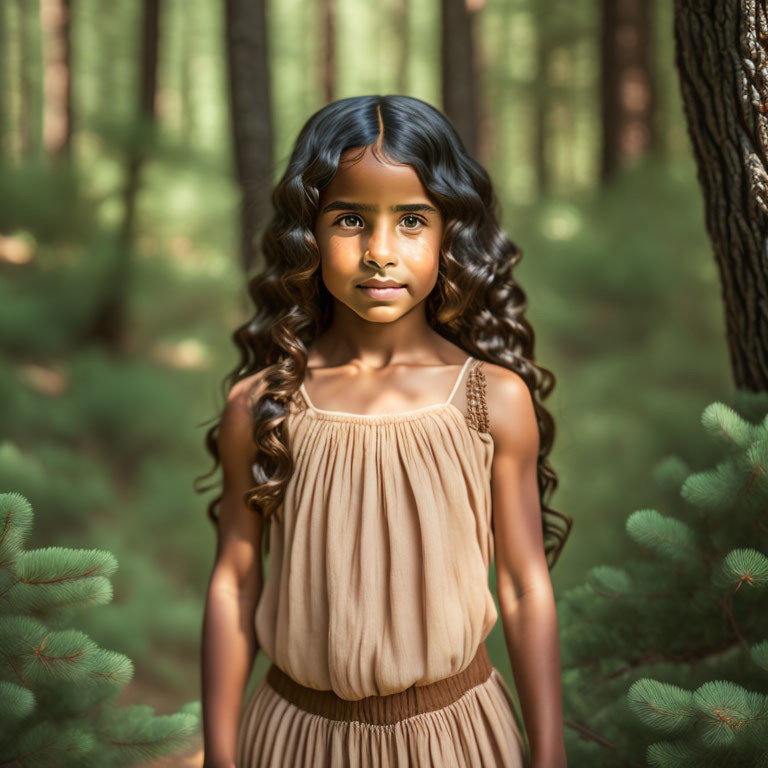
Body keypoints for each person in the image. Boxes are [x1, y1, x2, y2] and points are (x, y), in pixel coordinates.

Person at [198, 94, 572, 768]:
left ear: (450, 232)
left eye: (410, 221)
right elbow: (235, 582)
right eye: (349, 220)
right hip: (293, 742)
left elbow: (522, 585)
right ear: (307, 232)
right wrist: (222, 757)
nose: (378, 252)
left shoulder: (491, 400)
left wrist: (548, 755)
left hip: (455, 742)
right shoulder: (262, 404)